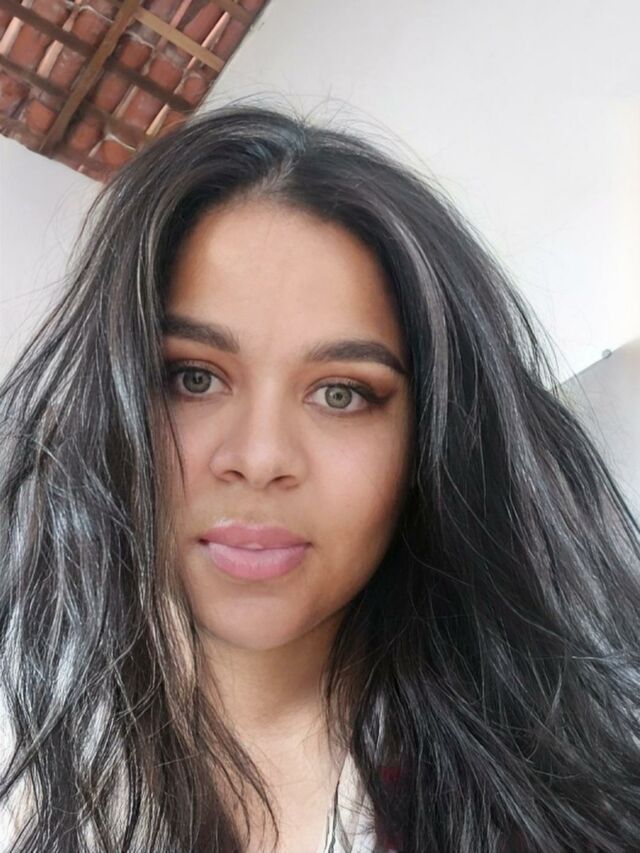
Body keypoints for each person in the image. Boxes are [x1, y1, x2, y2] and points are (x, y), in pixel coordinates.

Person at [0, 102, 639, 853]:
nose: (260, 456)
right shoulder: (24, 758)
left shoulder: (570, 786)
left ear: (429, 442)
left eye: (342, 393)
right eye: (193, 377)